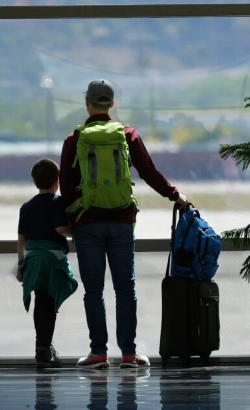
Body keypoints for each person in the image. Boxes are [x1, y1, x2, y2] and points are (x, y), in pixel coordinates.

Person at [60, 79, 188, 369]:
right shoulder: (128, 135)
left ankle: (98, 353)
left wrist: (71, 221)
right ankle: (129, 355)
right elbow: (149, 172)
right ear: (112, 104)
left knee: (93, 290)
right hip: (121, 221)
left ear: (87, 103)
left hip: (87, 222)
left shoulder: (74, 139)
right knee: (125, 289)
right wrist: (174, 195)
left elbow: (66, 188)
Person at [17, 158, 78, 368]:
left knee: (39, 300)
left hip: (32, 260)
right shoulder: (57, 202)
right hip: (50, 260)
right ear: (56, 180)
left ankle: (41, 345)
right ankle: (44, 348)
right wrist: (76, 233)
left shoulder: (26, 206)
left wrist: (20, 265)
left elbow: (21, 239)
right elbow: (61, 229)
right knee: (49, 303)